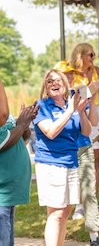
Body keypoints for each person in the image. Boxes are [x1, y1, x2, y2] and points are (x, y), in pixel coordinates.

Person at [33, 69, 92, 246]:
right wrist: (71, 111)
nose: (54, 84)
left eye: (58, 80)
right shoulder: (42, 105)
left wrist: (80, 112)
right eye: (50, 81)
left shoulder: (70, 105)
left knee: (65, 212)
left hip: (71, 163)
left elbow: (86, 131)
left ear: (65, 85)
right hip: (51, 164)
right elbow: (50, 132)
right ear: (45, 86)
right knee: (56, 213)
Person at [54, 60, 99, 246]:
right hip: (62, 153)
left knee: (89, 192)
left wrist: (90, 99)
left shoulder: (80, 93)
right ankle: (57, 237)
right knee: (62, 198)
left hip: (84, 149)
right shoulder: (50, 101)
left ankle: (94, 237)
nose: (69, 77)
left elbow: (94, 121)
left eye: (70, 74)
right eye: (64, 74)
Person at [70, 43, 99, 198]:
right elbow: (76, 97)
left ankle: (92, 199)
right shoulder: (72, 74)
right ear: (81, 55)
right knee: (80, 158)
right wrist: (90, 86)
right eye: (91, 54)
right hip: (80, 114)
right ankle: (79, 202)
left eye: (94, 54)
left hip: (97, 113)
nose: (94, 57)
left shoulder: (96, 70)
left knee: (95, 160)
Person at [0, 100, 38, 246]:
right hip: (2, 192)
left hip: (10, 191)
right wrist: (21, 124)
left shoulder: (4, 114)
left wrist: (26, 121)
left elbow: (22, 138)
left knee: (7, 238)